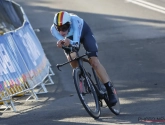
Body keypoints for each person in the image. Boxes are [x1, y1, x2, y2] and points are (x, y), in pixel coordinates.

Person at [50, 11, 117, 106]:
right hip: (70, 40)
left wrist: (70, 42)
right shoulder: (53, 30)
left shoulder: (75, 21)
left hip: (84, 34)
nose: (61, 32)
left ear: (69, 24)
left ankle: (109, 89)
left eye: (64, 28)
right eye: (58, 29)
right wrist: (61, 43)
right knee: (71, 58)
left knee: (94, 62)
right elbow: (65, 44)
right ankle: (82, 74)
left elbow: (76, 44)